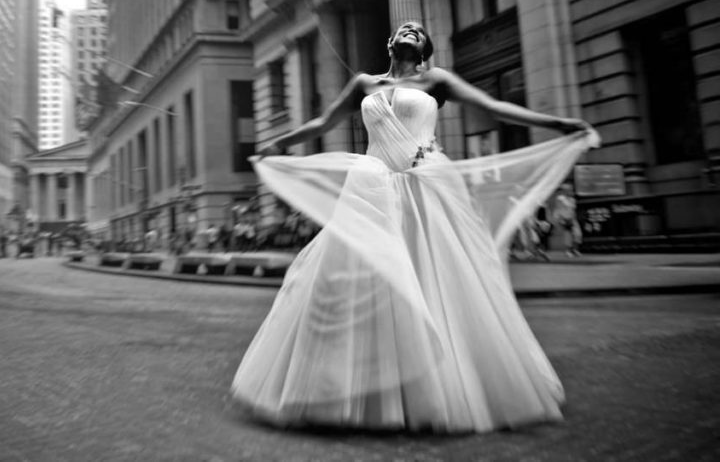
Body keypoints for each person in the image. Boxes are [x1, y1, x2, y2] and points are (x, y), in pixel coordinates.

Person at [231, 21, 598, 433]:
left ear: (424, 49)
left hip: (424, 192)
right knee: (353, 279)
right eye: (404, 28)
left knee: (431, 280)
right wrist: (278, 144)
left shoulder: (435, 80)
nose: (410, 30)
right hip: (371, 191)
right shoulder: (364, 84)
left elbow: (492, 107)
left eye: (418, 31)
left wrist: (559, 124)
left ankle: (433, 386)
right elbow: (322, 124)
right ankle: (347, 385)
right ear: (390, 42)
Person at [550, 182, 582, 257]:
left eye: (571, 190)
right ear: (565, 191)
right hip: (564, 219)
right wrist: (560, 219)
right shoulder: (560, 198)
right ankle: (568, 251)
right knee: (568, 235)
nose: (571, 191)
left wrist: (573, 218)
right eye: (569, 190)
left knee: (578, 234)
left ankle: (575, 250)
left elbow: (572, 209)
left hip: (572, 219)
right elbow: (558, 209)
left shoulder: (572, 199)